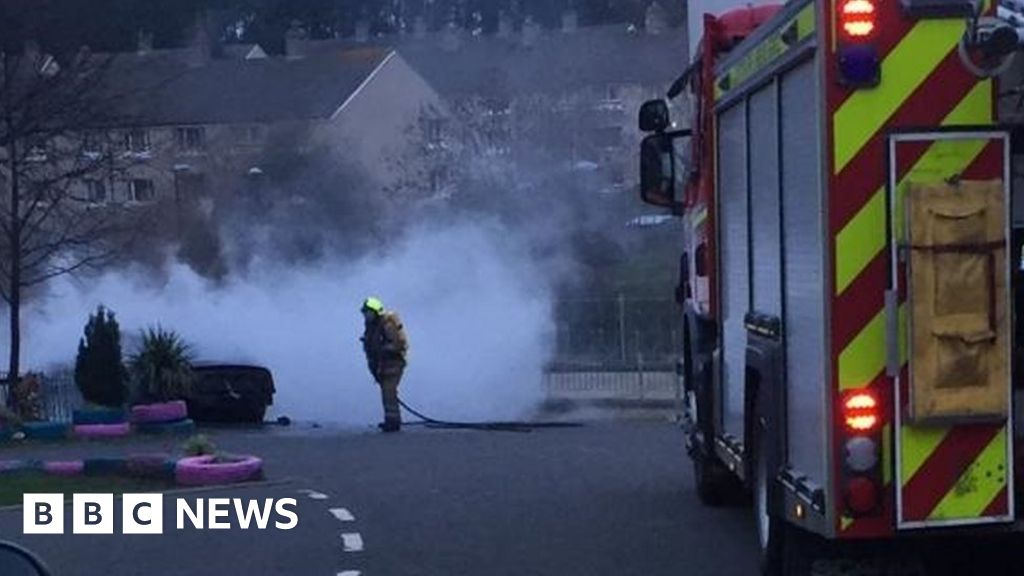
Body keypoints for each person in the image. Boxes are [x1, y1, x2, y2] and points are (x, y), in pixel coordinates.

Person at [360, 297, 408, 432]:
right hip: (382, 364)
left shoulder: (388, 323)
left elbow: (398, 344)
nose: (365, 315)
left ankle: (393, 422)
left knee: (389, 391)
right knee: (387, 392)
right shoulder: (372, 325)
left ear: (375, 312)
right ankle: (391, 419)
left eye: (368, 312)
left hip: (393, 363)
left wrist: (383, 349)